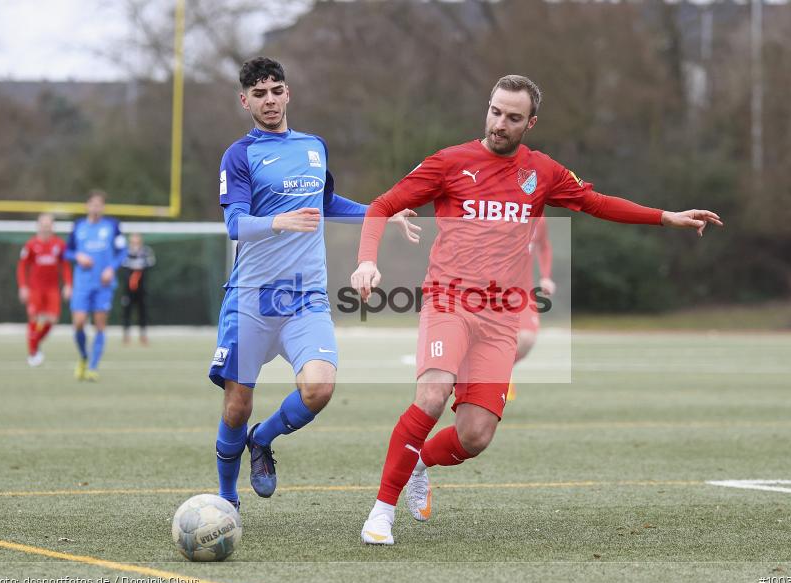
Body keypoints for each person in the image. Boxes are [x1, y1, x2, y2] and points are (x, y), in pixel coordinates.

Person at [351, 74, 723, 545]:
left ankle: (420, 460)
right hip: (449, 301)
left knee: (475, 436)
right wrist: (366, 260)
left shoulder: (542, 171)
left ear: (530, 123)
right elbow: (382, 205)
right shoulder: (449, 162)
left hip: (502, 315)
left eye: (512, 117)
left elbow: (594, 202)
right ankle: (381, 513)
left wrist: (664, 216)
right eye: (495, 111)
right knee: (432, 394)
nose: (499, 124)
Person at [209, 57, 419, 510]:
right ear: (245, 100)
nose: (269, 100)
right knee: (236, 407)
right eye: (259, 94)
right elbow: (235, 225)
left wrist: (381, 211)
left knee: (320, 390)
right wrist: (277, 221)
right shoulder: (239, 155)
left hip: (305, 298)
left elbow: (327, 203)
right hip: (252, 298)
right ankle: (227, 499)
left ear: (288, 94)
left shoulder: (314, 147)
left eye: (276, 90)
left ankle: (261, 441)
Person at [64, 190, 128, 382]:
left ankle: (93, 367)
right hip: (82, 284)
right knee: (79, 323)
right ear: (87, 206)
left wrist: (111, 268)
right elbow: (66, 252)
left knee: (100, 325)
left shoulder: (112, 226)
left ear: (103, 207)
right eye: (93, 204)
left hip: (103, 285)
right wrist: (78, 256)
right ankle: (83, 357)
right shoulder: (78, 226)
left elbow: (122, 251)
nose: (96, 208)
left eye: (99, 204)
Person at [507, 222, 555, 402]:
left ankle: (501, 371)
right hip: (490, 291)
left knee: (527, 338)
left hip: (523, 293)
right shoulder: (494, 210)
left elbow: (544, 246)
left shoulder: (539, 218)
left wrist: (545, 276)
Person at [16, 213, 72, 366]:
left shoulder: (59, 244)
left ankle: (34, 342)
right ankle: (33, 353)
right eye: (43, 225)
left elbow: (65, 266)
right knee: (34, 319)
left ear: (52, 227)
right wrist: (23, 287)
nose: (46, 228)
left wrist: (68, 284)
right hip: (35, 289)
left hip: (52, 289)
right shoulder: (31, 245)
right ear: (38, 226)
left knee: (52, 320)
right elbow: (22, 267)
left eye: (49, 225)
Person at [120, 233, 156, 345]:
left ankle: (143, 335)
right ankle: (126, 335)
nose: (135, 243)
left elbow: (151, 262)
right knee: (127, 311)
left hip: (142, 288)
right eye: (133, 241)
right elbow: (122, 263)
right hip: (128, 288)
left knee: (143, 311)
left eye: (137, 241)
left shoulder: (146, 251)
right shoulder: (125, 252)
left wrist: (139, 264)